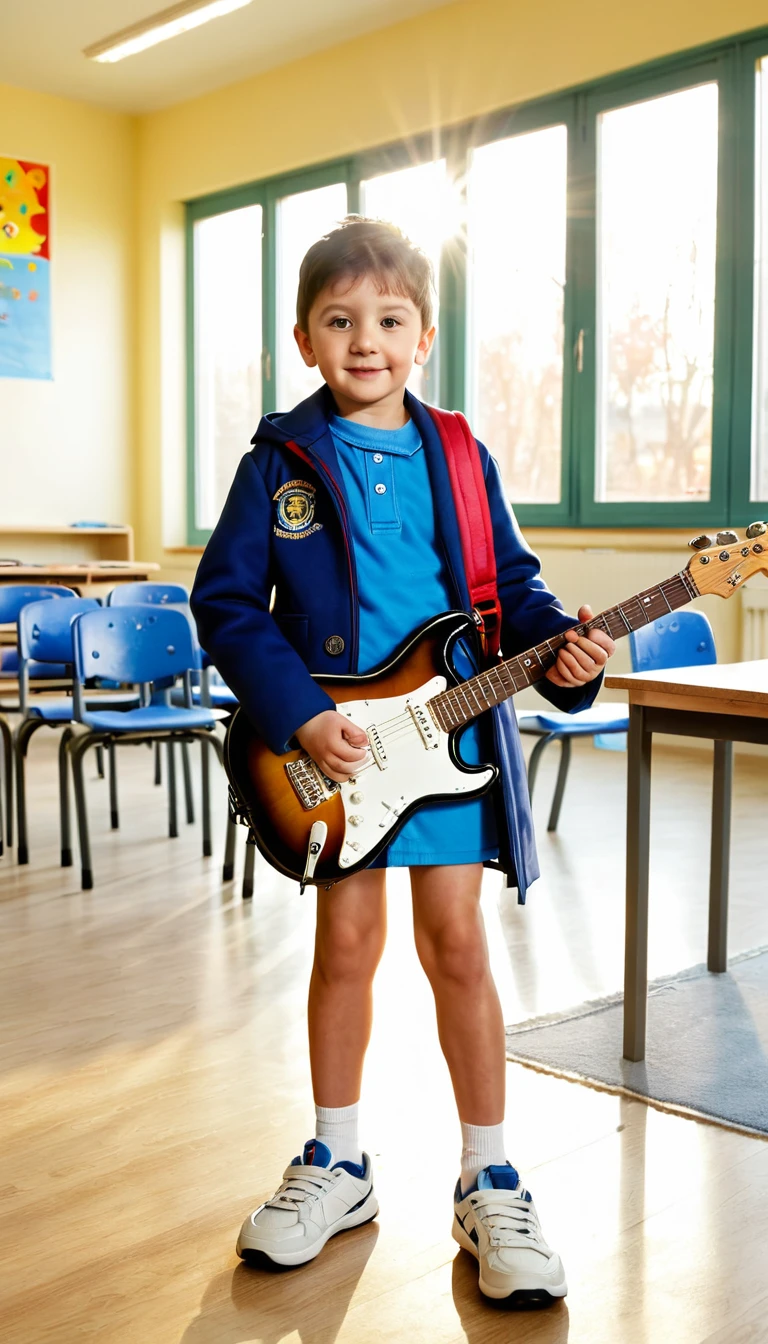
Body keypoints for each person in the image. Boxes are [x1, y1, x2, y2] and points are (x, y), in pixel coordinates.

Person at [190, 216, 615, 1305]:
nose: (364, 339)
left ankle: (491, 1176)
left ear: (424, 335)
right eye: (340, 320)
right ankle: (338, 1160)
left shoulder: (464, 456)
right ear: (305, 337)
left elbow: (514, 600)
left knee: (459, 951)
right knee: (347, 948)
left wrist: (564, 660)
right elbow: (228, 604)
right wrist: (296, 716)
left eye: (388, 319)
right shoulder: (279, 461)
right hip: (339, 757)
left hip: (452, 752)